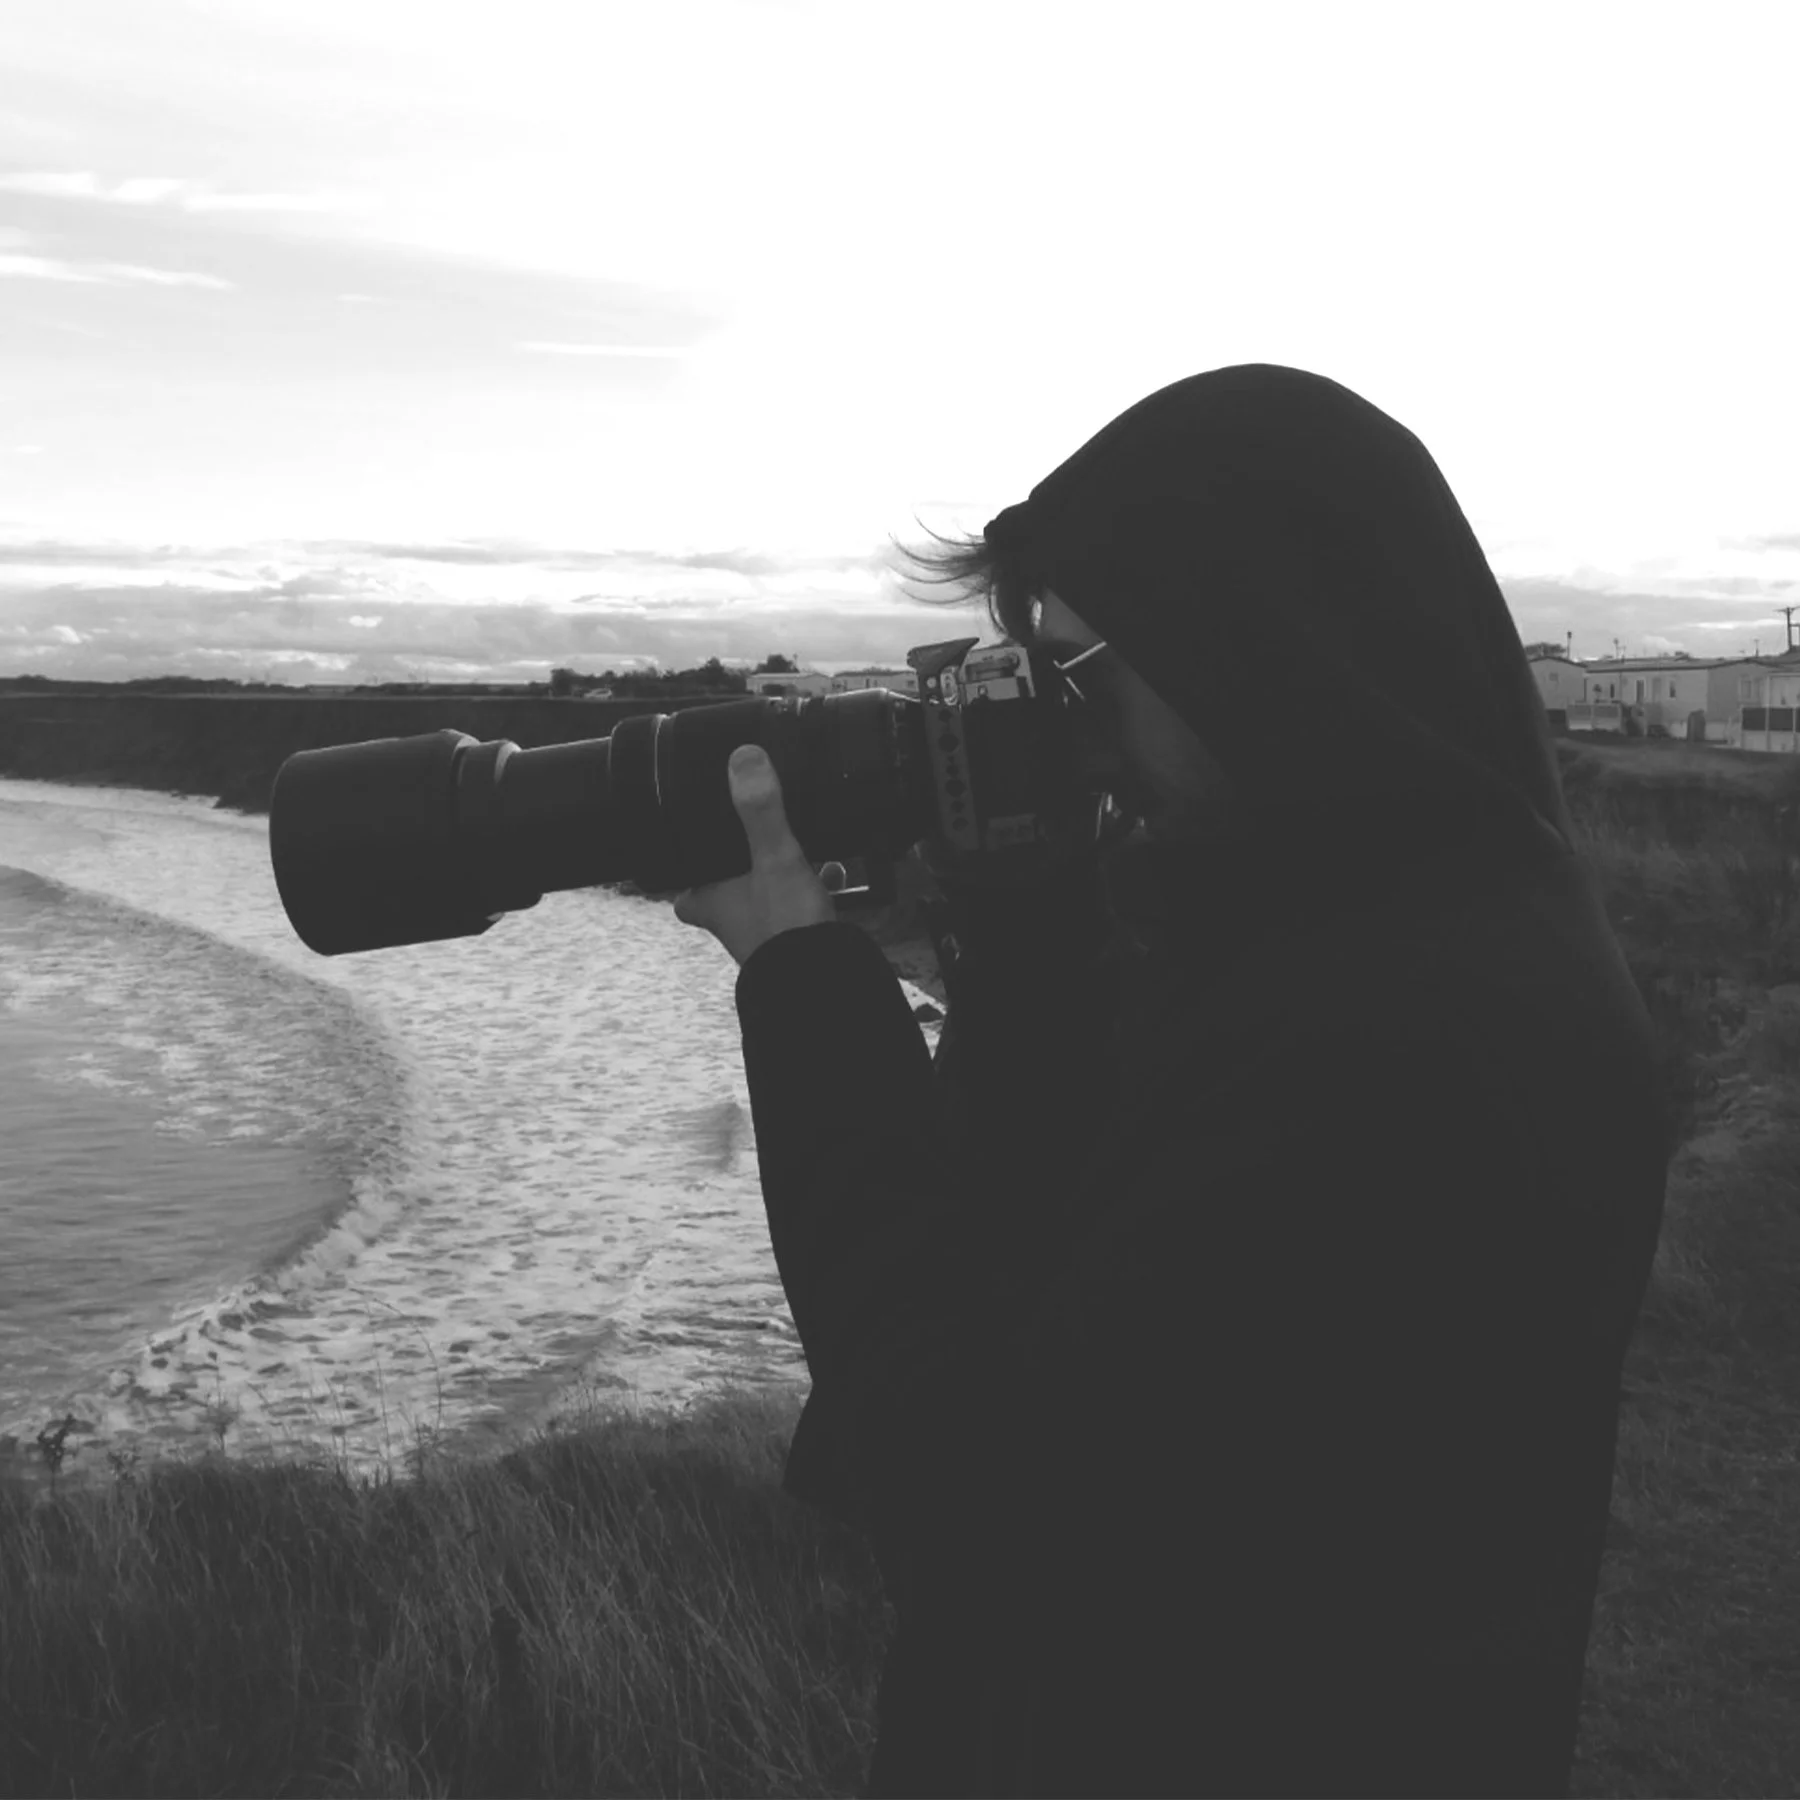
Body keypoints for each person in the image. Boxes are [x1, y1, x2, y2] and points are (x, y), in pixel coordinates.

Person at [673, 363, 1670, 1798]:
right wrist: (1029, 935)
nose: (1065, 732)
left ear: (1257, 654)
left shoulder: (1394, 1035)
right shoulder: (1382, 923)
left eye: (1079, 678)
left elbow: (976, 1498)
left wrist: (806, 987)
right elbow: (1055, 1253)